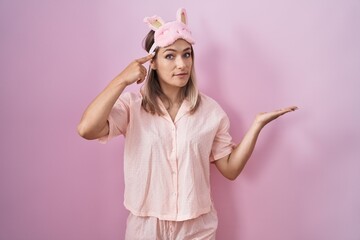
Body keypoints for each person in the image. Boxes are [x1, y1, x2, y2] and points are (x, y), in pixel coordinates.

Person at [77, 8, 298, 240]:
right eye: (170, 56)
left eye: (187, 54)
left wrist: (257, 125)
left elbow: (230, 170)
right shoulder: (132, 106)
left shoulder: (211, 112)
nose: (181, 64)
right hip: (147, 226)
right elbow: (86, 129)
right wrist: (122, 79)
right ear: (152, 62)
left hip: (197, 227)